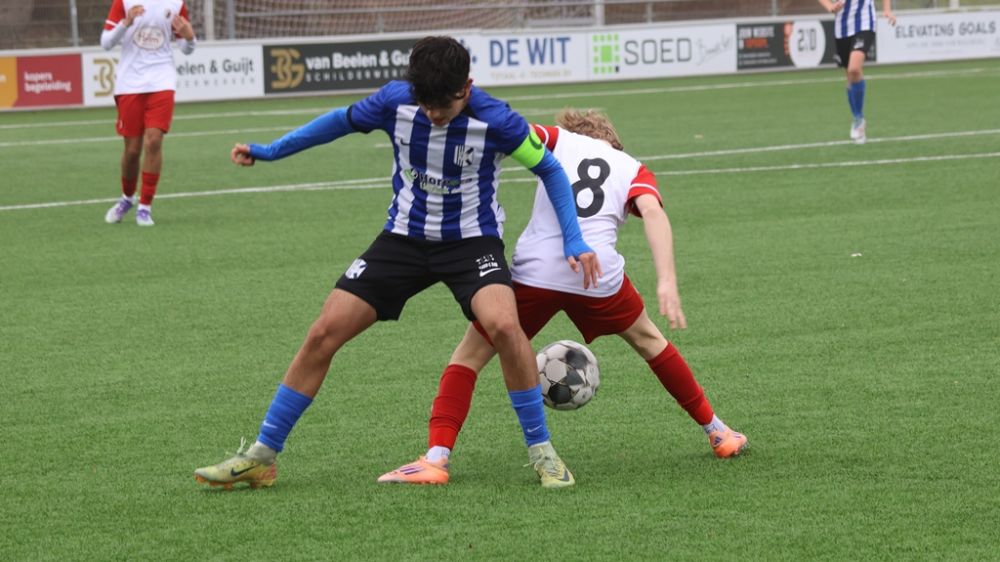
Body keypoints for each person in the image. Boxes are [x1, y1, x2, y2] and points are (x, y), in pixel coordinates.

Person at [193, 37, 601, 490]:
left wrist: (575, 238)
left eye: (442, 106)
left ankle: (543, 453)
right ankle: (261, 456)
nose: (433, 114)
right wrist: (271, 150)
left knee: (506, 326)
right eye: (425, 104)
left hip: (471, 243)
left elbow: (549, 169)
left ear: (466, 88)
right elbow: (337, 123)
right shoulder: (395, 101)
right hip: (403, 240)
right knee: (324, 332)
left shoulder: (498, 121)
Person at [378, 110, 748, 485]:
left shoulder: (556, 139)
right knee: (651, 341)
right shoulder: (633, 167)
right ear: (611, 138)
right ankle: (718, 432)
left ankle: (436, 458)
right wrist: (666, 279)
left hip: (536, 272)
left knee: (468, 357)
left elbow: (507, 132)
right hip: (597, 275)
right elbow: (652, 212)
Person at [101, 0, 197, 226]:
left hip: (162, 80)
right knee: (132, 150)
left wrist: (190, 38)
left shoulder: (176, 3)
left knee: (153, 141)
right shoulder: (124, 2)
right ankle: (127, 198)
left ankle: (145, 207)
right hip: (130, 84)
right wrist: (126, 23)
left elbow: (186, 48)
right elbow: (106, 43)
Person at [819, 0, 896, 144]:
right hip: (841, 27)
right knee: (850, 77)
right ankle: (857, 118)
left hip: (865, 22)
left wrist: (887, 9)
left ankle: (858, 119)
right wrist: (829, 6)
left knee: (854, 69)